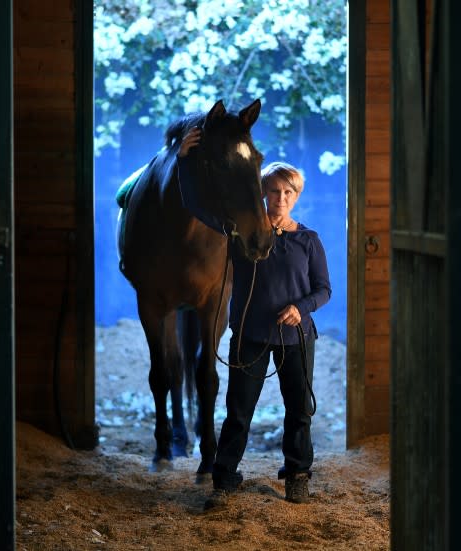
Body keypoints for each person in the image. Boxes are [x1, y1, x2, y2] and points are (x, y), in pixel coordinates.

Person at [176, 127, 332, 509]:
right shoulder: (239, 234)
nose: (280, 199)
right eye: (274, 191)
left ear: (296, 197)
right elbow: (195, 205)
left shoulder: (308, 240)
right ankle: (225, 476)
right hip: (249, 335)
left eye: (288, 192)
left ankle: (297, 475)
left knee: (299, 410)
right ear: (263, 192)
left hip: (296, 337)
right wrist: (183, 160)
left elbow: (323, 289)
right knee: (239, 411)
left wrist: (302, 308)